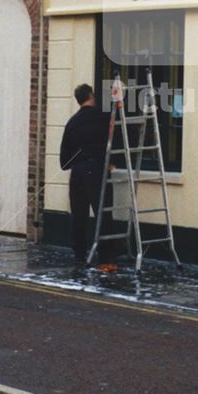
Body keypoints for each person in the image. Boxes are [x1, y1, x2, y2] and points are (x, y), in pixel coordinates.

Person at [60, 83, 117, 269]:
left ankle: (79, 254)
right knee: (103, 213)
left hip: (77, 172)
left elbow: (64, 161)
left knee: (79, 214)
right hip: (97, 169)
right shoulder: (101, 117)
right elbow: (112, 132)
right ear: (91, 96)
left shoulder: (71, 123)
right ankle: (106, 256)